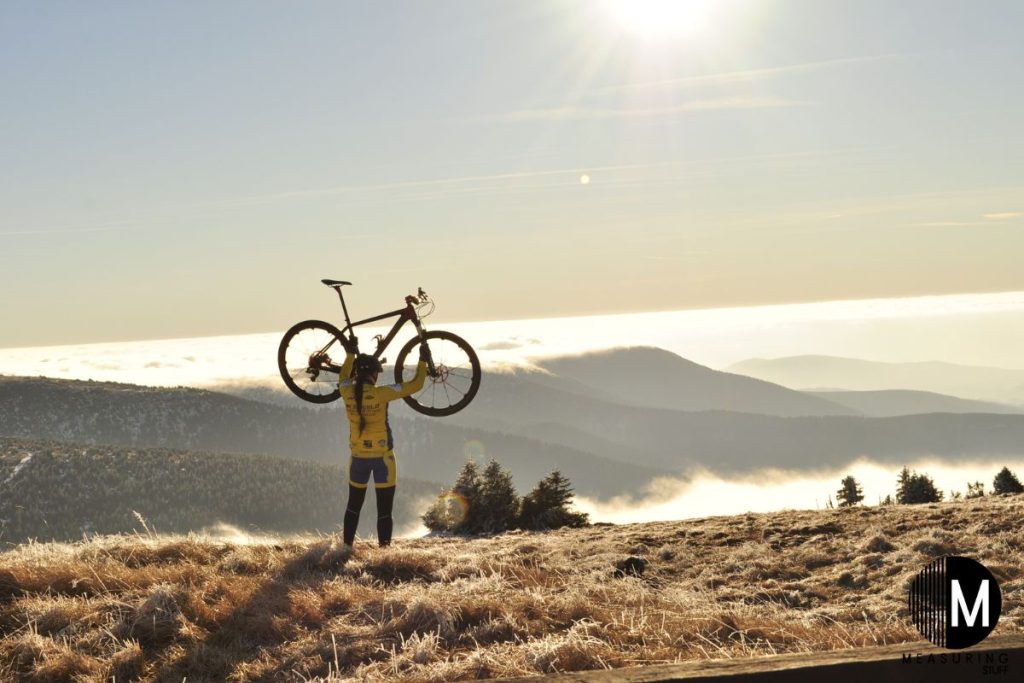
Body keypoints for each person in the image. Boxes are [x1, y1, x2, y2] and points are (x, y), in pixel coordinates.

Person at [333, 345, 428, 548]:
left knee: (353, 507)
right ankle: (384, 553)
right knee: (384, 511)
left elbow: (343, 374)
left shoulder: (345, 389)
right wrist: (423, 360)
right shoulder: (382, 393)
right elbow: (416, 385)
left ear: (357, 373)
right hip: (384, 460)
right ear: (375, 374)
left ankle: (345, 549)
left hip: (357, 459)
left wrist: (349, 354)